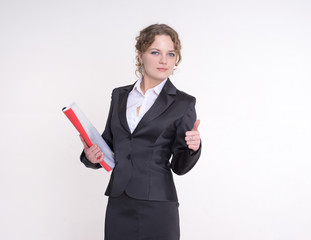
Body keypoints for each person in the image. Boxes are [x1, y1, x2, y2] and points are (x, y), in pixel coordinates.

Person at [80, 23, 201, 240]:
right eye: (155, 52)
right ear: (140, 55)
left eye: (170, 54)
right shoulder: (120, 95)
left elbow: (179, 167)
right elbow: (108, 142)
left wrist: (194, 148)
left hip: (158, 204)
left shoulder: (183, 103)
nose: (164, 60)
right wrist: (91, 157)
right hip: (119, 201)